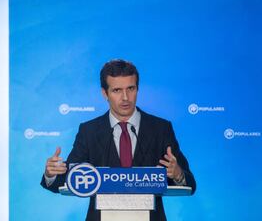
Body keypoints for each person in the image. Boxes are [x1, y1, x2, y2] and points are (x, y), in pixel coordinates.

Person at [41, 59, 196, 221]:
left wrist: (178, 174)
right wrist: (51, 174)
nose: (125, 97)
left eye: (131, 88)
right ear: (104, 93)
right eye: (116, 90)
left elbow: (190, 183)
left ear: (137, 89)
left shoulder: (160, 128)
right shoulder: (89, 131)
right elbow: (70, 178)